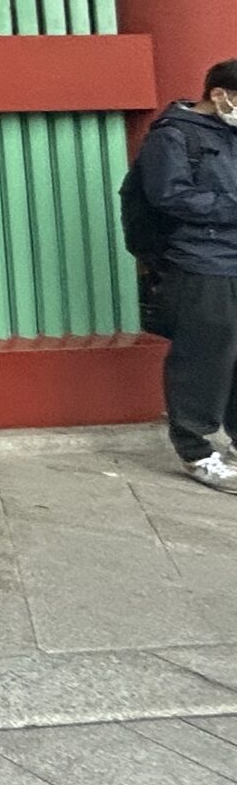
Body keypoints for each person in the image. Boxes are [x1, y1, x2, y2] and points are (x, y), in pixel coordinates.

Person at [133, 61, 237, 489]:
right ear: (219, 95)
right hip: (200, 258)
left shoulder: (231, 133)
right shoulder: (172, 136)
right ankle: (196, 450)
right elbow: (168, 195)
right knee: (203, 354)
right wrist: (231, 206)